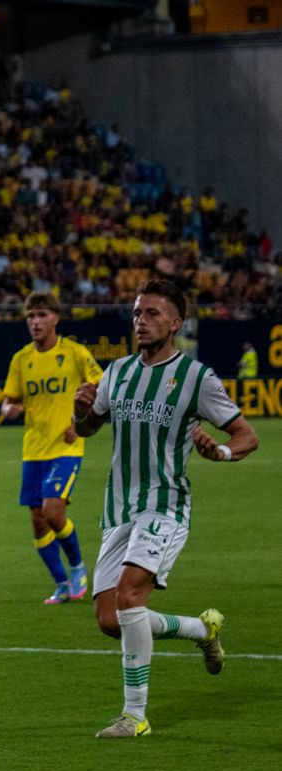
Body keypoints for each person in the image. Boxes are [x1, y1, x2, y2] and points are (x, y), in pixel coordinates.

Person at [72, 280, 260, 738]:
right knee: (111, 620)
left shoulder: (197, 378)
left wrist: (221, 452)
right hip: (120, 508)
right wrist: (81, 411)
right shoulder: (117, 372)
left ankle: (135, 716)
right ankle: (201, 630)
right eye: (137, 313)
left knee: (130, 597)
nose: (141, 321)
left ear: (175, 323)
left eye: (152, 313)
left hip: (165, 505)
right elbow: (89, 427)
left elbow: (247, 436)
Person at [0, 292, 101, 604]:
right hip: (34, 449)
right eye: (31, 316)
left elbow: (100, 387)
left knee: (52, 510)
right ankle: (61, 583)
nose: (35, 321)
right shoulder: (21, 359)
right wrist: (8, 409)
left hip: (66, 446)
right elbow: (9, 399)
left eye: (41, 315)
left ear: (56, 318)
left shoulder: (74, 353)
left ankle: (78, 566)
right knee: (37, 519)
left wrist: (79, 421)